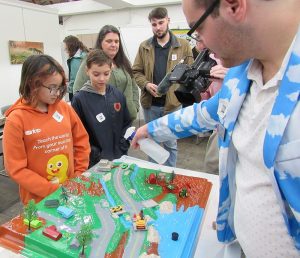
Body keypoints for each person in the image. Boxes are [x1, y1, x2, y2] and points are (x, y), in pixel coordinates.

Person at [132, 0, 300, 257]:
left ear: (233, 6)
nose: (203, 46)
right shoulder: (241, 72)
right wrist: (150, 129)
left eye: (197, 30)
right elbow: (205, 113)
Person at [3, 55, 90, 205]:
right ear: (32, 83)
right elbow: (16, 169)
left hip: (70, 189)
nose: (57, 93)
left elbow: (81, 141)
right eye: (52, 87)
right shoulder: (16, 119)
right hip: (38, 200)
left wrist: (78, 174)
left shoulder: (63, 108)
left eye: (60, 87)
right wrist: (52, 189)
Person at [132, 7, 193, 167]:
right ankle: (154, 174)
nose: (158, 27)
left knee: (170, 144)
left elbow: (190, 72)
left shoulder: (183, 45)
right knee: (151, 143)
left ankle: (170, 174)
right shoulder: (144, 46)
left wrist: (178, 81)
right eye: (154, 24)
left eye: (161, 22)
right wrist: (145, 84)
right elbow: (136, 71)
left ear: (168, 21)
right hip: (150, 105)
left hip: (172, 105)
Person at [72, 49, 132, 168]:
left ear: (111, 70)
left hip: (119, 156)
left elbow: (127, 123)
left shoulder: (117, 94)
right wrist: (94, 154)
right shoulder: (80, 99)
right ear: (87, 71)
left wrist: (123, 145)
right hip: (96, 161)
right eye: (96, 74)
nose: (101, 79)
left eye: (106, 74)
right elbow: (77, 134)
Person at [73, 25, 139, 121]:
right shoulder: (90, 61)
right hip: (104, 120)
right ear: (101, 42)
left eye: (116, 41)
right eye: (109, 41)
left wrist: (135, 107)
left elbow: (133, 87)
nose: (114, 44)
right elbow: (77, 90)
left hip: (127, 118)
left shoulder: (123, 62)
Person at [63, 35, 88, 101]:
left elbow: (75, 79)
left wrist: (65, 89)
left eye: (66, 48)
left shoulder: (75, 59)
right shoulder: (85, 54)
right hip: (86, 90)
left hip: (77, 92)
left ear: (70, 47)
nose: (65, 50)